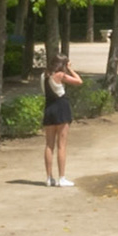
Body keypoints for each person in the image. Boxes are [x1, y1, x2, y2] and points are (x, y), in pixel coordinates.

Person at [40, 54, 84, 187]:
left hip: (49, 107)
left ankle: (49, 178)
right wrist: (70, 69)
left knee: (49, 145)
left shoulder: (44, 75)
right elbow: (79, 81)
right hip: (61, 107)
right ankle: (62, 178)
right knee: (61, 145)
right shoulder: (60, 75)